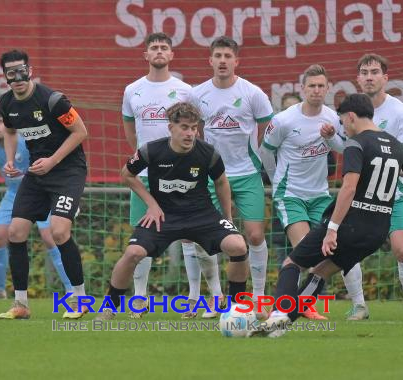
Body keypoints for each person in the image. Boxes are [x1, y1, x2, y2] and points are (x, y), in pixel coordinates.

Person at [251, 93, 403, 337]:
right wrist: (396, 172)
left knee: (292, 263)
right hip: (375, 233)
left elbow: (349, 188)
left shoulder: (356, 143)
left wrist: (332, 228)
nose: (343, 128)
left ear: (351, 117)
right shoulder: (396, 145)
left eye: (343, 122)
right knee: (320, 272)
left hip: (349, 225)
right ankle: (283, 324)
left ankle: (279, 315)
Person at [94, 102, 249, 320]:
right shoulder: (151, 150)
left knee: (238, 245)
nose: (190, 133)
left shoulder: (208, 153)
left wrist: (228, 218)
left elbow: (221, 182)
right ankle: (109, 307)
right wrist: (152, 204)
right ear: (171, 128)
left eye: (194, 128)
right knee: (133, 254)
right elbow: (126, 174)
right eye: (184, 127)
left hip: (201, 215)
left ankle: (237, 309)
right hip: (164, 216)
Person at [121, 33, 224, 319]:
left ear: (171, 54)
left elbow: (195, 128)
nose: (159, 51)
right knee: (141, 239)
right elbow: (130, 129)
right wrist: (146, 159)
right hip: (148, 178)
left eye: (164, 47)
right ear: (146, 54)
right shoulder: (132, 90)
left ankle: (205, 297)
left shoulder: (185, 90)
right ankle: (139, 300)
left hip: (185, 177)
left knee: (197, 239)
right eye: (153, 47)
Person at [0, 49, 88, 320]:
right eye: (11, 73)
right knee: (15, 231)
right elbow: (11, 132)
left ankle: (80, 299)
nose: (18, 77)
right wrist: (10, 161)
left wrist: (53, 161)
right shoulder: (7, 103)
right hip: (37, 173)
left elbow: (81, 132)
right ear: (6, 77)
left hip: (69, 170)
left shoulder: (53, 100)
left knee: (59, 232)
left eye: (22, 70)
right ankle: (21, 305)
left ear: (30, 70)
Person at [191, 36, 274, 318]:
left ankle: (260, 297)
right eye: (218, 56)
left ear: (236, 61)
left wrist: (267, 163)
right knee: (207, 239)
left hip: (248, 174)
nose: (223, 60)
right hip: (212, 178)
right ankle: (215, 298)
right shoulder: (197, 94)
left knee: (254, 234)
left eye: (228, 56)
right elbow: (188, 131)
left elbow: (271, 130)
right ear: (210, 60)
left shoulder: (252, 93)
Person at [339, 54, 403, 321]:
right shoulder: (350, 111)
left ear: (386, 78)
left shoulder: (400, 112)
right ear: (358, 78)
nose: (369, 76)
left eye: (375, 72)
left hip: (394, 192)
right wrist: (331, 139)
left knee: (402, 249)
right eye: (364, 72)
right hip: (361, 194)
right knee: (347, 247)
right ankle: (359, 305)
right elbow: (348, 151)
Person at [261, 65, 346, 320]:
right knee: (304, 250)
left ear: (328, 88)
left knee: (327, 252)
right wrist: (278, 182)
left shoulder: (332, 118)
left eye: (321, 86)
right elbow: (265, 151)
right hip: (291, 194)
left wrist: (331, 138)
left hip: (320, 196)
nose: (317, 90)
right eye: (312, 86)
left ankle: (294, 303)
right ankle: (292, 306)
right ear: (302, 88)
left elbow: (343, 148)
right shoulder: (284, 120)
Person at [0, 106, 72, 299]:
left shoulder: (23, 142)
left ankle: (71, 289)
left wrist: (64, 192)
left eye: (1, 121)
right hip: (12, 194)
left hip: (39, 191)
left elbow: (45, 165)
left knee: (49, 236)